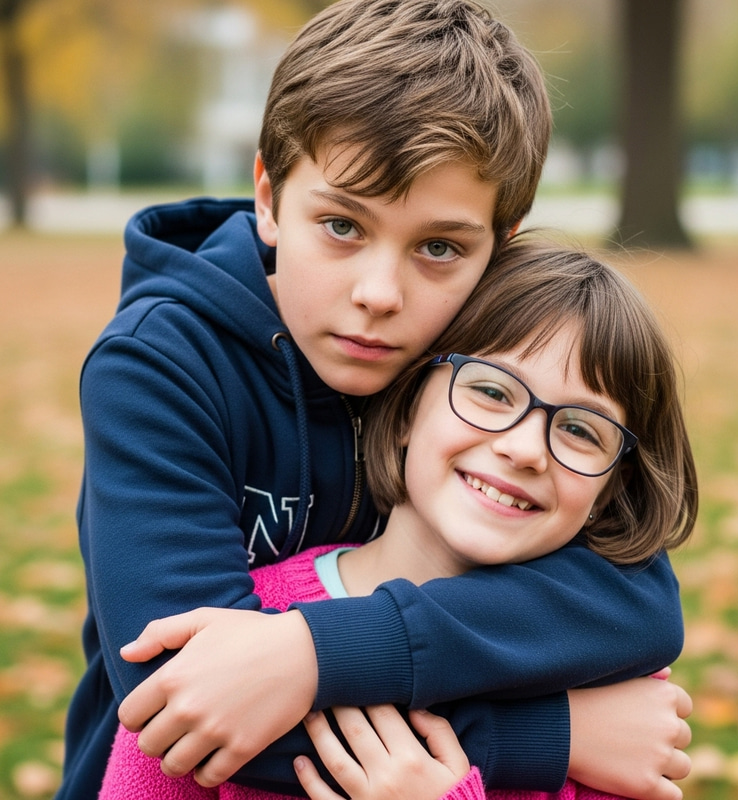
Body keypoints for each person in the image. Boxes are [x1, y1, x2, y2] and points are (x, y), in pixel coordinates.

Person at [57, 1, 692, 798]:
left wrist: (316, 652)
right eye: (342, 225)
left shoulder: (477, 371)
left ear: (503, 246)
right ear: (268, 195)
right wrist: (548, 734)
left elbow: (633, 602)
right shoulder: (162, 366)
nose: (380, 295)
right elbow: (188, 701)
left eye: (438, 247)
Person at [98, 238, 695, 800]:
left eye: (579, 430)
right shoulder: (225, 642)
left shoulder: (607, 684)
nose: (525, 448)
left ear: (612, 485)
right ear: (408, 406)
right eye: (490, 392)